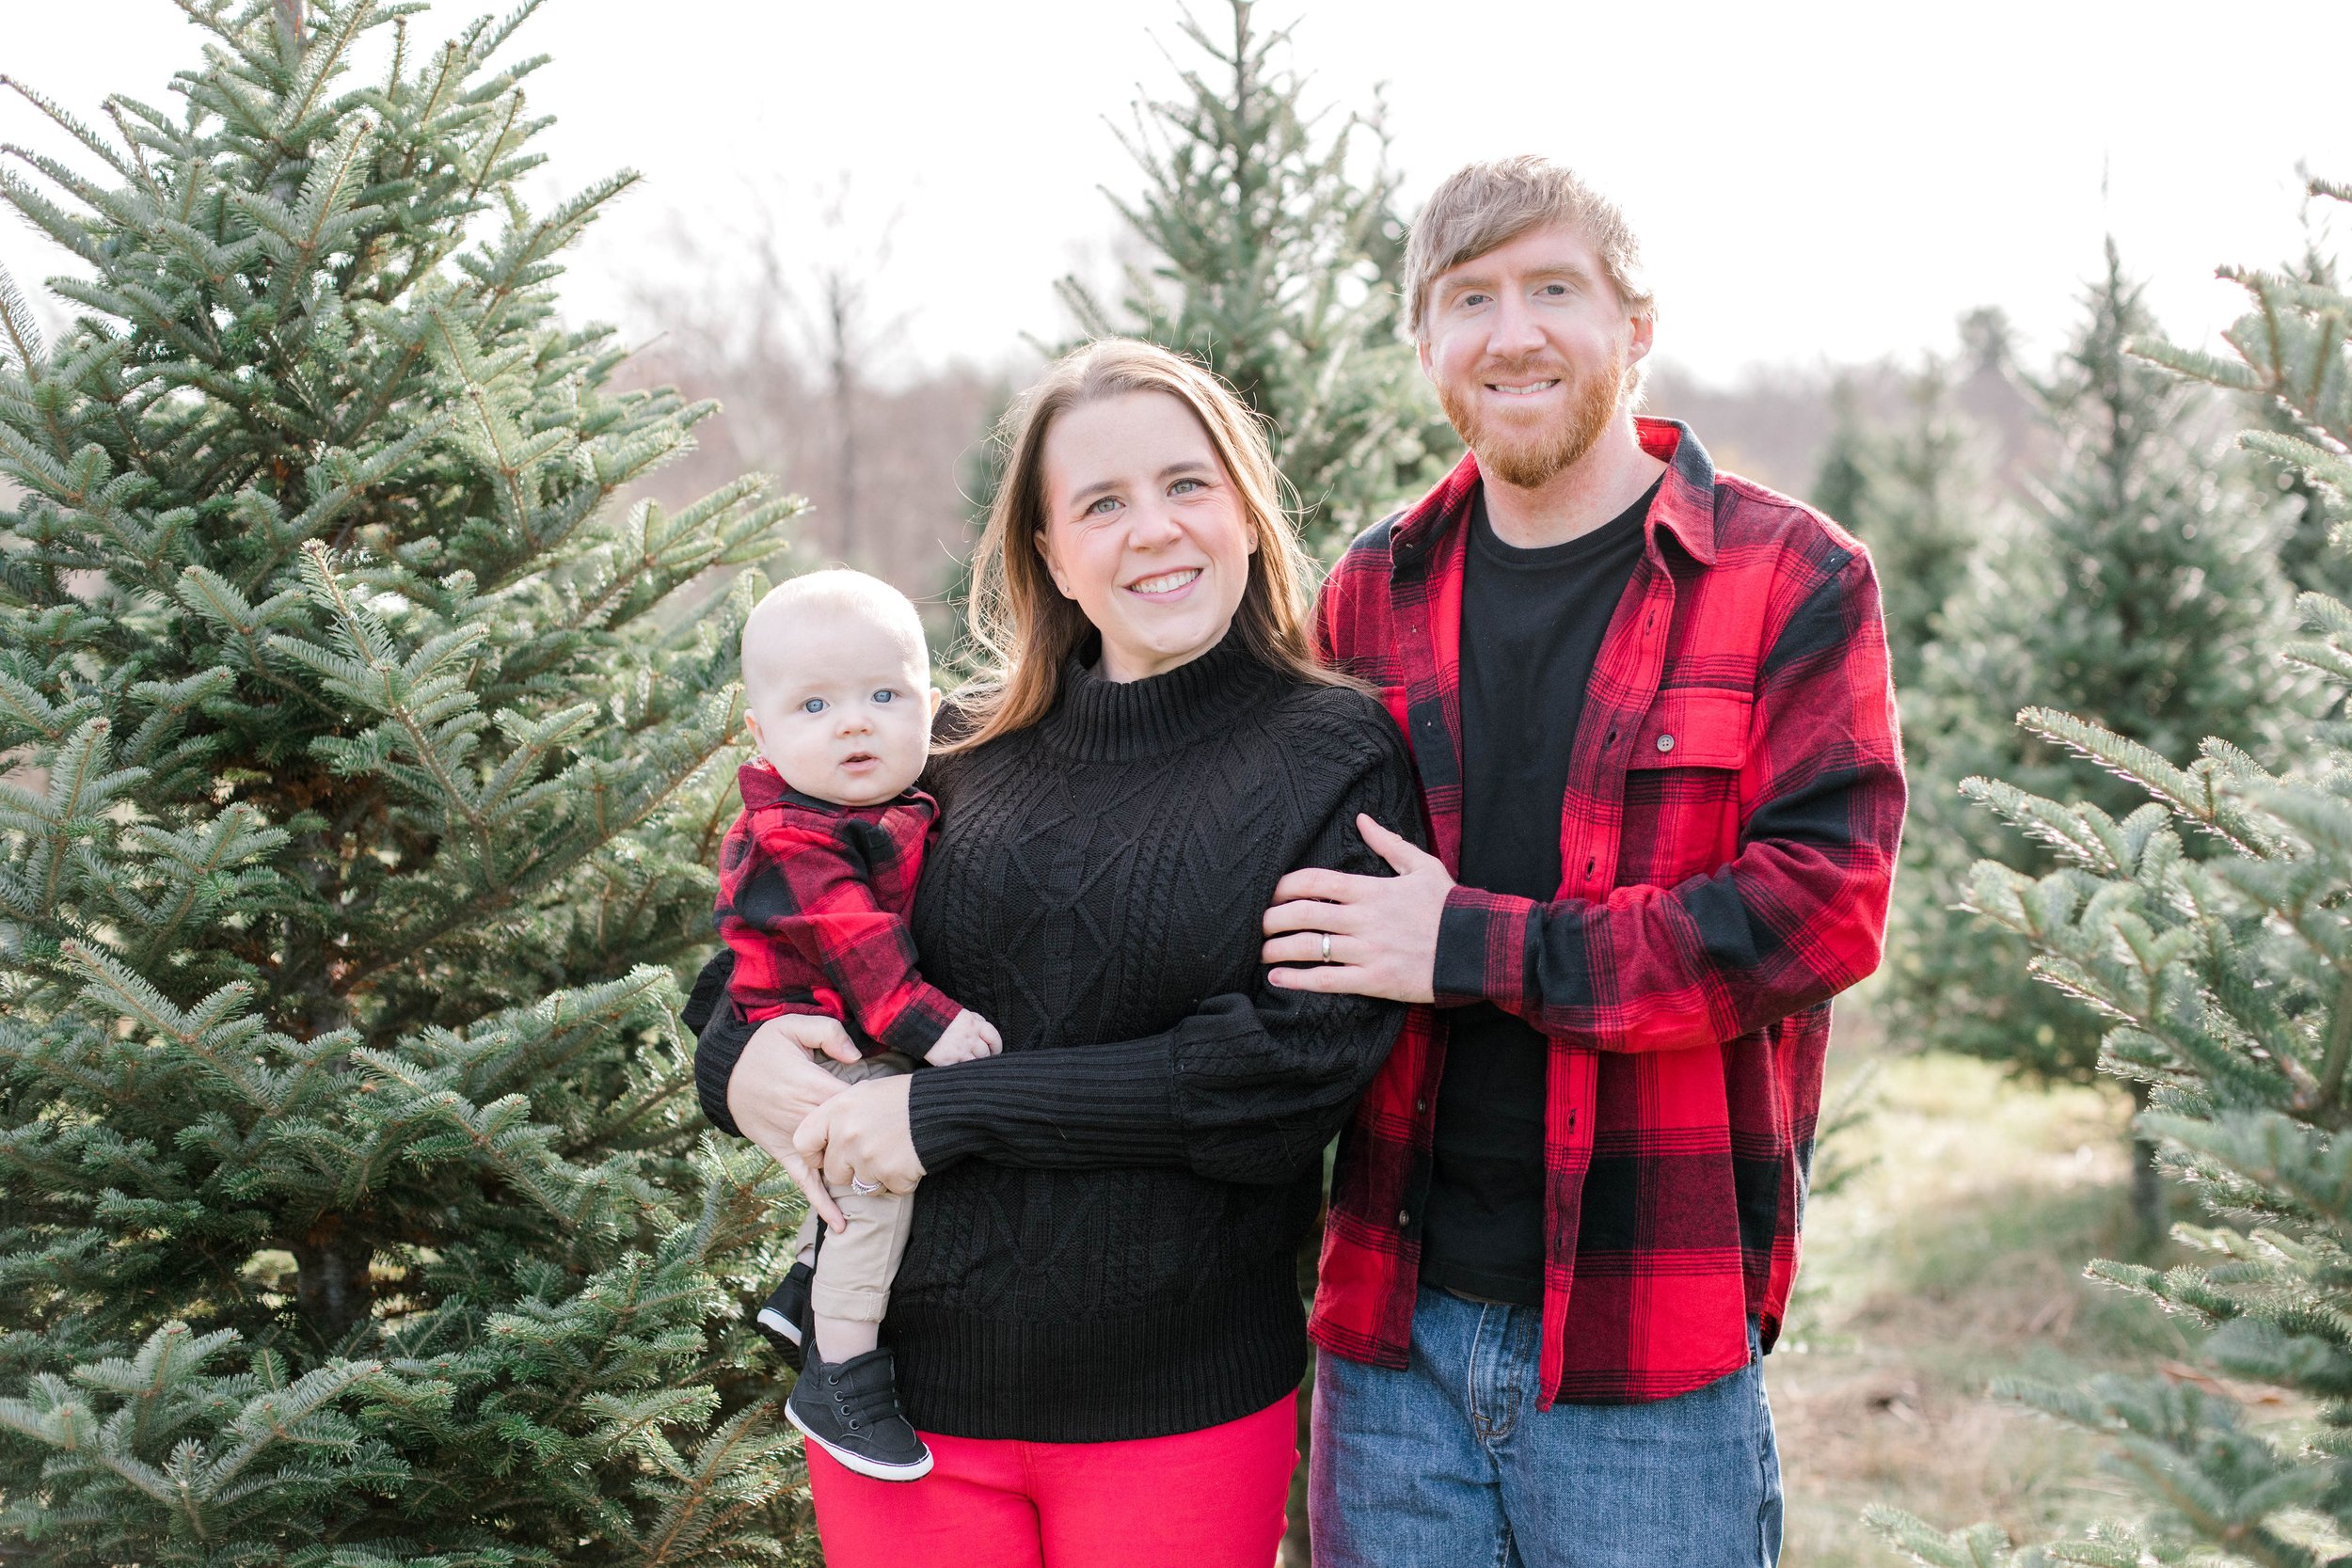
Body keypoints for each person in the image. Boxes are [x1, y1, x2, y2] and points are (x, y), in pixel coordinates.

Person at [1261, 155, 1908, 1567]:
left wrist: (1474, 945)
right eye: (1470, 297)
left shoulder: (1791, 577)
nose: (1513, 332)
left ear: (1635, 324)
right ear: (1424, 342)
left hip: (1645, 1335)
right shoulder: (1370, 592)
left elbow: (1819, 912)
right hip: (1389, 1331)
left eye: (1556, 288)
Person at [691, 339, 1421, 1567]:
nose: (1153, 529)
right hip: (902, 1411)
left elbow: (1281, 1077)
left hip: (1172, 1410)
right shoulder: (948, 754)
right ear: (1050, 555)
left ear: (1245, 507)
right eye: (1101, 503)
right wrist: (736, 1058)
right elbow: (781, 922)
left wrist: (953, 1109)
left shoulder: (1331, 752)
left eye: (1187, 484)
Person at [713, 568, 1005, 1482]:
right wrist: (934, 1027)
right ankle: (838, 1374)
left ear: (931, 699)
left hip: (842, 1025)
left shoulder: (885, 801)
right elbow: (858, 944)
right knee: (880, 1166)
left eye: (885, 695)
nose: (854, 721)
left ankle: (805, 1286)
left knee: (854, 1163)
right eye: (814, 704)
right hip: (831, 1033)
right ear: (761, 732)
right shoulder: (794, 833)